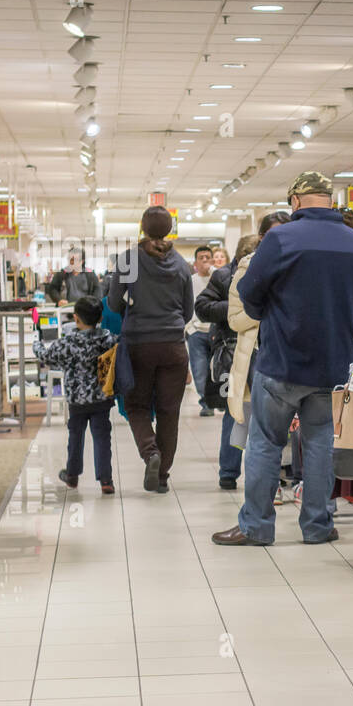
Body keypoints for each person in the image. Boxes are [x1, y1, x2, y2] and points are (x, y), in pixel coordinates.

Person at [211, 171, 353, 547]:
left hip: (282, 362)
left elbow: (249, 292)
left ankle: (256, 526)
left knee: (266, 442)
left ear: (296, 201)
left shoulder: (281, 238)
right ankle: (317, 526)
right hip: (334, 364)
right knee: (319, 444)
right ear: (329, 200)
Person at [107, 206, 195, 494]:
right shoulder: (182, 264)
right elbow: (188, 311)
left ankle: (150, 453)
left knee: (136, 406)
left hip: (138, 345)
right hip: (173, 346)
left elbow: (113, 303)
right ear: (170, 229)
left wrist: (133, 308)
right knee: (170, 411)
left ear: (141, 228)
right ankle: (162, 477)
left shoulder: (129, 259)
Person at [33, 295, 117, 495]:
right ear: (100, 318)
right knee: (102, 438)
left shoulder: (69, 342)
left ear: (76, 318)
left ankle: (72, 475)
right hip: (101, 398)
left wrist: (36, 341)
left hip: (77, 400)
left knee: (76, 436)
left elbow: (45, 356)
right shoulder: (107, 338)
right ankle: (106, 480)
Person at [196, 234, 258, 490]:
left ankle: (271, 474)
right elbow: (202, 307)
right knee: (238, 413)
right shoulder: (222, 276)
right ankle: (229, 471)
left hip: (265, 349)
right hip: (235, 352)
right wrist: (235, 307)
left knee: (267, 415)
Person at [225, 212, 290, 449]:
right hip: (257, 358)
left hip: (292, 356)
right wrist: (268, 313)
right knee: (255, 430)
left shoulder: (301, 264)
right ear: (262, 237)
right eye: (274, 234)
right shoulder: (248, 267)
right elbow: (235, 319)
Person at [186, 245, 216, 417]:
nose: (204, 261)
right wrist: (189, 328)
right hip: (196, 331)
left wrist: (213, 271)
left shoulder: (219, 277)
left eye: (207, 257)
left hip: (215, 330)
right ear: (196, 262)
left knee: (218, 367)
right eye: (201, 258)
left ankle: (219, 400)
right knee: (199, 369)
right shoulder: (190, 281)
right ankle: (206, 402)